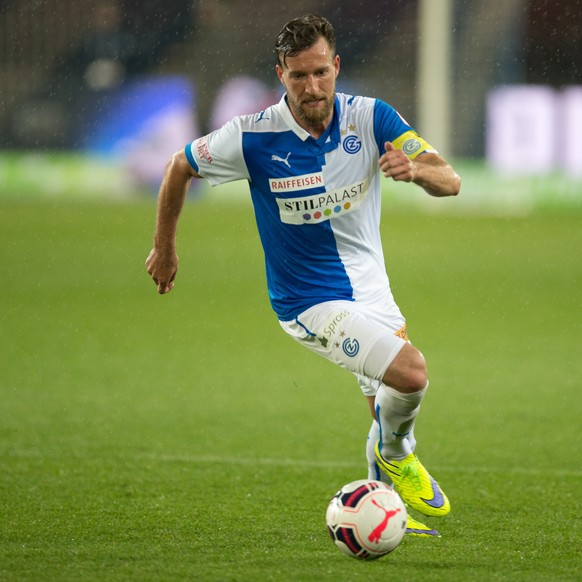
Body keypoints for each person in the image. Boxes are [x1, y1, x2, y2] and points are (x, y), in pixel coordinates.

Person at [146, 14, 461, 537]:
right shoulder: (253, 137)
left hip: (371, 289)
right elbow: (178, 166)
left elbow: (448, 180)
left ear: (336, 66)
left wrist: (416, 170)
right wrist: (165, 248)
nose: (311, 87)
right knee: (411, 374)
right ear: (280, 75)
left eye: (320, 72)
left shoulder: (372, 118)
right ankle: (395, 455)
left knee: (384, 399)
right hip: (308, 303)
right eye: (298, 76)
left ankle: (381, 512)